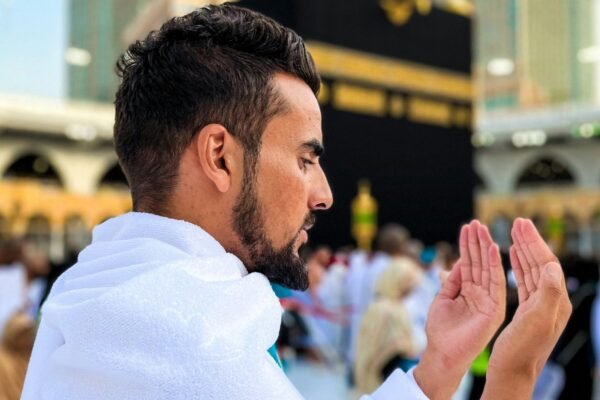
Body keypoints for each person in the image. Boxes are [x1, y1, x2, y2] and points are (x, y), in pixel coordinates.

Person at [22, 5, 571, 400]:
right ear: (220, 156)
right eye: (306, 159)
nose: (325, 193)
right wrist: (515, 376)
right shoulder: (197, 341)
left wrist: (439, 365)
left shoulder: (95, 287)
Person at [354, 256, 422, 393]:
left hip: (377, 379)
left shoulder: (382, 305)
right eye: (407, 287)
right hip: (381, 379)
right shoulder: (388, 310)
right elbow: (393, 350)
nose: (408, 292)